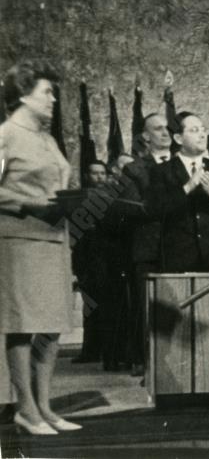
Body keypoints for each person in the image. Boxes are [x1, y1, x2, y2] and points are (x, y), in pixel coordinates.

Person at [0, 61, 81, 434]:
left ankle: (45, 407)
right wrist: (28, 203)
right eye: (47, 92)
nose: (53, 99)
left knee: (51, 325)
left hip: (54, 239)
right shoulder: (6, 135)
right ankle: (26, 409)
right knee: (22, 325)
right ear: (22, 94)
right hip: (19, 240)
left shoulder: (47, 139)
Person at [148, 113, 209, 273]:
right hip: (178, 260)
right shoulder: (161, 171)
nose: (202, 135)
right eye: (194, 130)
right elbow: (156, 210)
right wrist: (187, 187)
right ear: (178, 139)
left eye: (203, 130)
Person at [119, 113, 173, 376]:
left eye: (168, 128)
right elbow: (133, 209)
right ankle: (150, 364)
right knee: (149, 309)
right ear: (145, 136)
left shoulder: (186, 163)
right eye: (158, 128)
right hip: (150, 249)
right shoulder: (134, 169)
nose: (165, 133)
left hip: (183, 248)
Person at [70, 161, 110, 364]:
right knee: (90, 307)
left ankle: (107, 351)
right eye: (95, 173)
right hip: (88, 261)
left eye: (103, 173)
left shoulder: (113, 198)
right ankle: (90, 350)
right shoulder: (79, 200)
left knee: (107, 308)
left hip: (109, 260)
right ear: (87, 176)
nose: (99, 177)